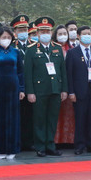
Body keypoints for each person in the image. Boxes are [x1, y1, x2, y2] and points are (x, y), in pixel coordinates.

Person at [24, 17, 67, 157]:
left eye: (47, 31)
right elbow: (28, 73)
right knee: (40, 119)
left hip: (55, 88)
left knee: (52, 118)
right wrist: (30, 92)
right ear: (37, 33)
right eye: (42, 31)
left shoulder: (57, 48)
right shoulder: (31, 50)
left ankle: (50, 145)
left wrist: (64, 89)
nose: (45, 33)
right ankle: (40, 146)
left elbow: (63, 71)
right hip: (39, 90)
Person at [0, 26, 25, 159]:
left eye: (8, 37)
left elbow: (20, 71)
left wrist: (21, 89)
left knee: (13, 118)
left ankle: (11, 149)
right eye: (3, 37)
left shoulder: (15, 52)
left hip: (13, 88)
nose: (6, 40)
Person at [66, 26, 91, 154]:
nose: (87, 36)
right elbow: (69, 74)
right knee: (81, 118)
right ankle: (79, 145)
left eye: (89, 34)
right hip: (79, 91)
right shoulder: (72, 53)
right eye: (84, 34)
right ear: (78, 36)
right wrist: (71, 92)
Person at [12, 15, 35, 150]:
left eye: (25, 29)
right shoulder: (12, 46)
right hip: (17, 85)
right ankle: (18, 141)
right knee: (18, 115)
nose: (23, 32)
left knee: (30, 115)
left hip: (32, 85)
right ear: (15, 32)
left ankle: (29, 141)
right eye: (20, 30)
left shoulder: (34, 46)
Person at [53, 24, 76, 148]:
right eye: (60, 34)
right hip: (56, 85)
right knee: (56, 114)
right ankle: (57, 140)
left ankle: (70, 139)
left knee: (70, 113)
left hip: (70, 85)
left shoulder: (72, 49)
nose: (62, 36)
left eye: (64, 34)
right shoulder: (52, 49)